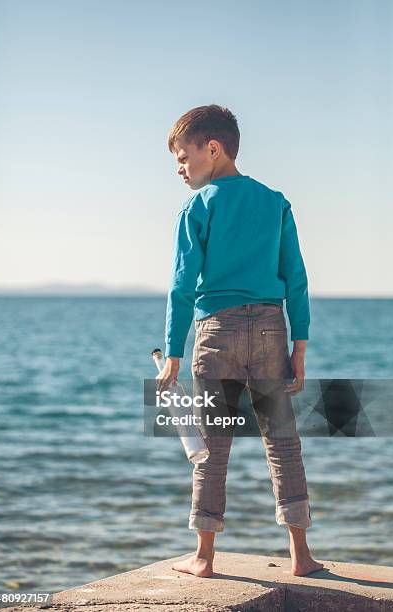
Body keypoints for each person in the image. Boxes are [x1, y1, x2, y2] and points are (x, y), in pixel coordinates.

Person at [157, 104, 323, 578]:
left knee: (212, 445)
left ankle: (204, 558)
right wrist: (300, 346)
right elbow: (297, 277)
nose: (180, 170)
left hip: (217, 334)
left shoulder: (197, 206)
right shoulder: (275, 202)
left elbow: (182, 285)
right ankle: (301, 557)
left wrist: (173, 352)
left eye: (183, 158)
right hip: (272, 329)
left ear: (213, 148)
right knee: (284, 444)